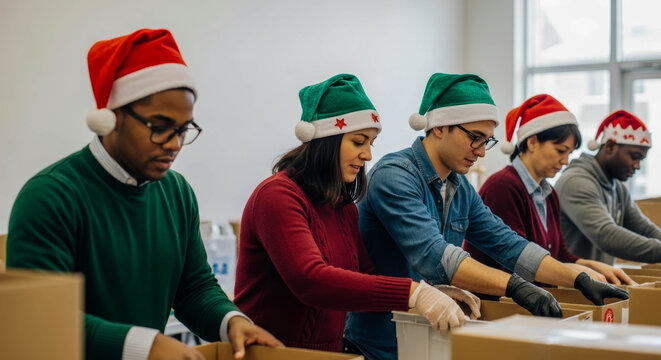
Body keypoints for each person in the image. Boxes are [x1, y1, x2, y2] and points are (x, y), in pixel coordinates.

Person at [7, 29, 281, 360]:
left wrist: (231, 321)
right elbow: (41, 322)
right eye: (159, 126)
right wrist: (143, 345)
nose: (174, 144)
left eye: (183, 129)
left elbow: (193, 288)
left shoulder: (177, 192)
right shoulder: (50, 197)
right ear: (112, 118)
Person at [343, 73, 628, 360]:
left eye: (487, 141)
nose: (480, 151)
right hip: (377, 345)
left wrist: (576, 278)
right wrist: (515, 286)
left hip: (428, 338)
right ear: (440, 126)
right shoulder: (395, 176)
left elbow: (507, 243)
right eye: (474, 138)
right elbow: (433, 256)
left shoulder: (460, 187)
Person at [233, 74, 480, 354]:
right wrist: (414, 294)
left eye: (371, 143)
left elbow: (365, 273)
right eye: (358, 141)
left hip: (329, 352)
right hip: (274, 352)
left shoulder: (342, 206)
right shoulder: (277, 196)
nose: (367, 155)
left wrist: (428, 292)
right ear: (326, 140)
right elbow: (311, 280)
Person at [463, 94, 634, 285]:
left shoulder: (549, 194)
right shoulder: (503, 187)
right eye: (560, 151)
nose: (566, 161)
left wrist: (594, 266)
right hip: (501, 303)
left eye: (569, 153)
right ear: (533, 141)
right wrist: (577, 273)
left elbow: (559, 254)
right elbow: (516, 262)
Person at [555, 110, 661, 265]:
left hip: (597, 283)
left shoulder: (617, 187)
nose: (637, 166)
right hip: (568, 286)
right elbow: (606, 236)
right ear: (610, 146)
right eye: (634, 157)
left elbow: (645, 229)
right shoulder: (576, 182)